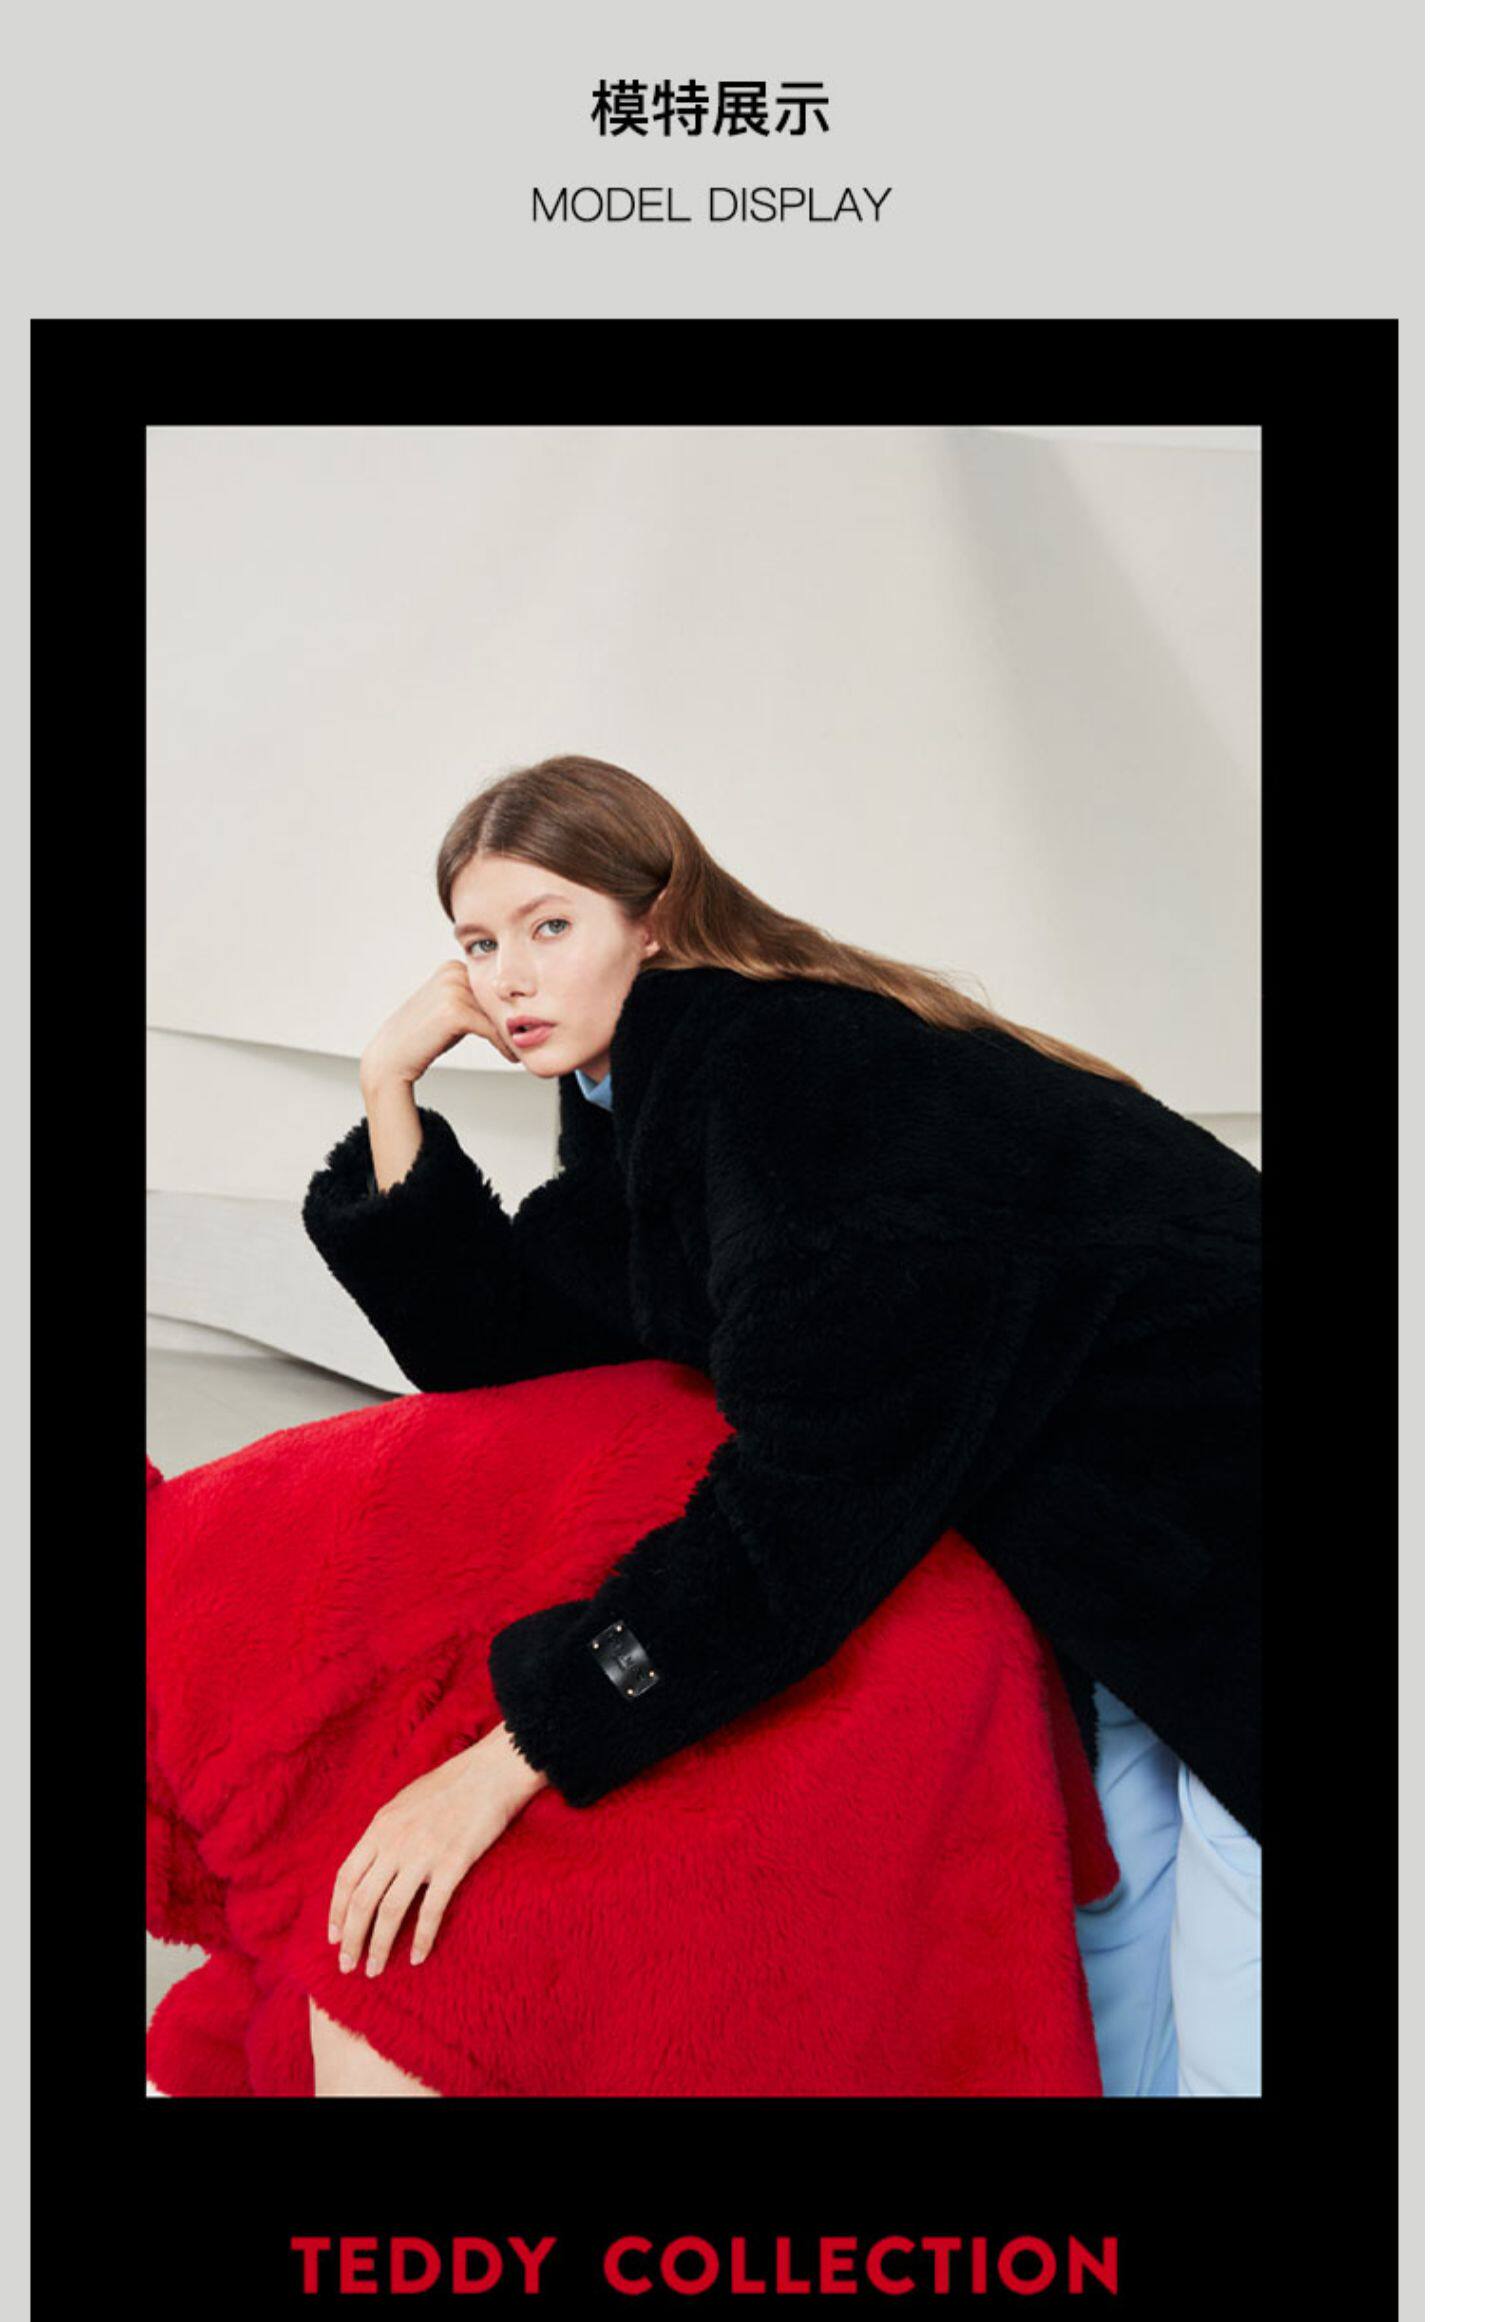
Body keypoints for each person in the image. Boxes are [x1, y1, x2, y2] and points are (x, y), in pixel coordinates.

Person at [300, 752, 1262, 2098]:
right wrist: (387, 1089)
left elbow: (807, 1499)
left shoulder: (789, 1073)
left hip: (1240, 1541)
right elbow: (507, 1347)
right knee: (1115, 1992)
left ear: (654, 917)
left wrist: (519, 1751)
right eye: (478, 942)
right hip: (1128, 1576)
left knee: (1234, 2018)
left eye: (549, 925)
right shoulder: (656, 1105)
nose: (508, 977)